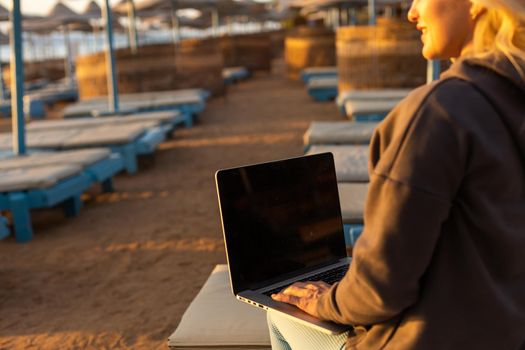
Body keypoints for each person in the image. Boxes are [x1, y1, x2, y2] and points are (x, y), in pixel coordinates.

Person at [268, 0, 525, 348]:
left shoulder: (438, 113)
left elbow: (380, 289)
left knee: (282, 309)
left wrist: (323, 299)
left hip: (428, 338)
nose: (412, 12)